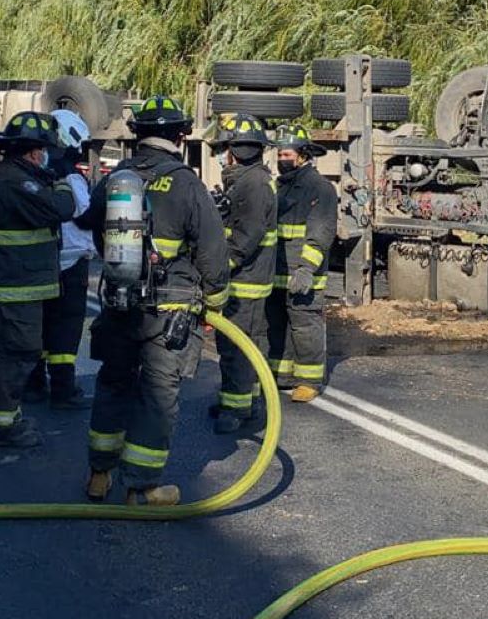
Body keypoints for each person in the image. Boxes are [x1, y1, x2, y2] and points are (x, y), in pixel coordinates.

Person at [79, 95, 229, 505]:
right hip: (169, 309)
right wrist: (215, 300)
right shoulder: (185, 182)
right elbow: (212, 251)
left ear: (138, 134)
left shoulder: (117, 177)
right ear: (180, 135)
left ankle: (98, 473)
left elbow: (91, 223)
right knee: (157, 395)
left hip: (119, 301)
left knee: (113, 382)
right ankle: (142, 488)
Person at [0, 111, 76, 448]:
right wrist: (61, 178)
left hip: (16, 282)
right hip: (16, 285)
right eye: (46, 151)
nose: (46, 157)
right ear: (35, 152)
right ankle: (0, 426)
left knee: (8, 349)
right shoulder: (16, 183)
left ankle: (0, 413)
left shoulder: (13, 176)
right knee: (19, 352)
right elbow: (62, 208)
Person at [20, 109, 97, 410]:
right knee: (66, 328)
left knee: (40, 323)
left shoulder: (31, 176)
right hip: (73, 262)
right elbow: (85, 215)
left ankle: (34, 383)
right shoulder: (71, 180)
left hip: (43, 261)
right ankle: (64, 389)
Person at [206, 114, 278, 434]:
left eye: (224, 148)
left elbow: (245, 239)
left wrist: (221, 265)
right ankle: (243, 401)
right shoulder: (246, 181)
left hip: (246, 280)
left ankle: (237, 410)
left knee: (236, 347)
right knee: (248, 343)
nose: (222, 155)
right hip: (247, 278)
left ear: (236, 151)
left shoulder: (254, 184)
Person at [268, 125, 338, 403]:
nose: (280, 159)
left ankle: (308, 380)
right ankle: (282, 375)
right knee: (277, 325)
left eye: (285, 154)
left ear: (302, 155)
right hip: (278, 272)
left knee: (305, 326)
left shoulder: (320, 188)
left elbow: (321, 231)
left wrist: (307, 268)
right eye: (279, 154)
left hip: (304, 273)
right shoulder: (278, 188)